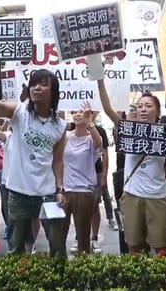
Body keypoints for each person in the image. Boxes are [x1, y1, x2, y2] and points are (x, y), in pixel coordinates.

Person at [0, 52, 67, 257]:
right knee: (16, 248)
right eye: (33, 84)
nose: (36, 88)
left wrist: (60, 189)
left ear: (53, 91)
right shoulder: (19, 113)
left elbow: (58, 161)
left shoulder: (60, 126)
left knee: (58, 246)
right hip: (17, 194)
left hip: (48, 194)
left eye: (43, 84)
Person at [97, 61, 166, 254]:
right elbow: (107, 108)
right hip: (132, 196)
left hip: (158, 197)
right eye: (140, 106)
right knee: (134, 246)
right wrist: (100, 79)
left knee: (161, 247)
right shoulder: (128, 130)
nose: (143, 109)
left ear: (157, 111)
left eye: (148, 106)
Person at [63, 103, 102, 254]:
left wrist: (89, 123)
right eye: (75, 111)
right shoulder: (66, 136)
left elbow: (99, 144)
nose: (78, 114)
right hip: (65, 190)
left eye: (81, 112)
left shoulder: (92, 138)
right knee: (59, 233)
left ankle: (83, 267)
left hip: (84, 191)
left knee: (83, 236)